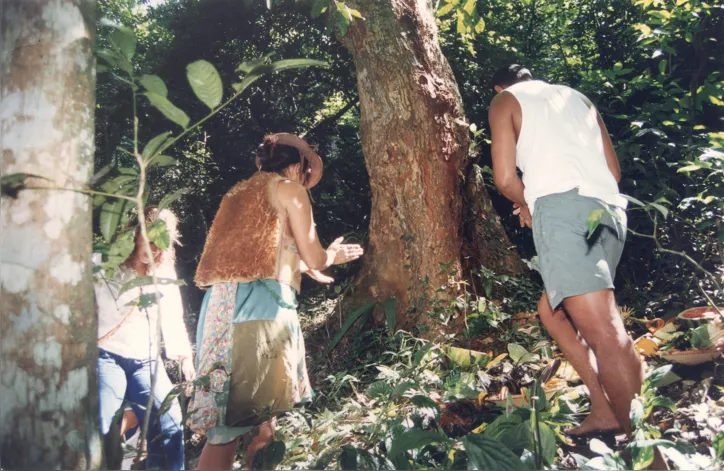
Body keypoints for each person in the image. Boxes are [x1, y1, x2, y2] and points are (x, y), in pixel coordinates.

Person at [188, 133, 364, 470]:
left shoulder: (238, 192)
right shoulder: (289, 189)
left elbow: (252, 257)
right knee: (233, 425)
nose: (304, 182)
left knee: (256, 420)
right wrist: (332, 256)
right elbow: (314, 254)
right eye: (305, 174)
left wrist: (300, 267)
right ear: (297, 166)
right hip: (258, 309)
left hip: (221, 306)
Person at [488, 65, 643, 438]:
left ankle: (648, 454)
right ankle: (604, 409)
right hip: (607, 213)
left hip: (563, 213)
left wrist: (527, 204)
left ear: (499, 86)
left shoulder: (504, 101)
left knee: (606, 333)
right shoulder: (579, 98)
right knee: (552, 311)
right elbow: (614, 171)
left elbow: (506, 178)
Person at [95, 208, 196, 470]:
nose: (155, 249)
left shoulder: (164, 272)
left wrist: (185, 358)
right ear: (135, 235)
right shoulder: (104, 263)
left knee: (169, 424)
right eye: (149, 240)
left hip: (146, 361)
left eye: (162, 244)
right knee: (100, 422)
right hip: (105, 356)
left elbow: (173, 316)